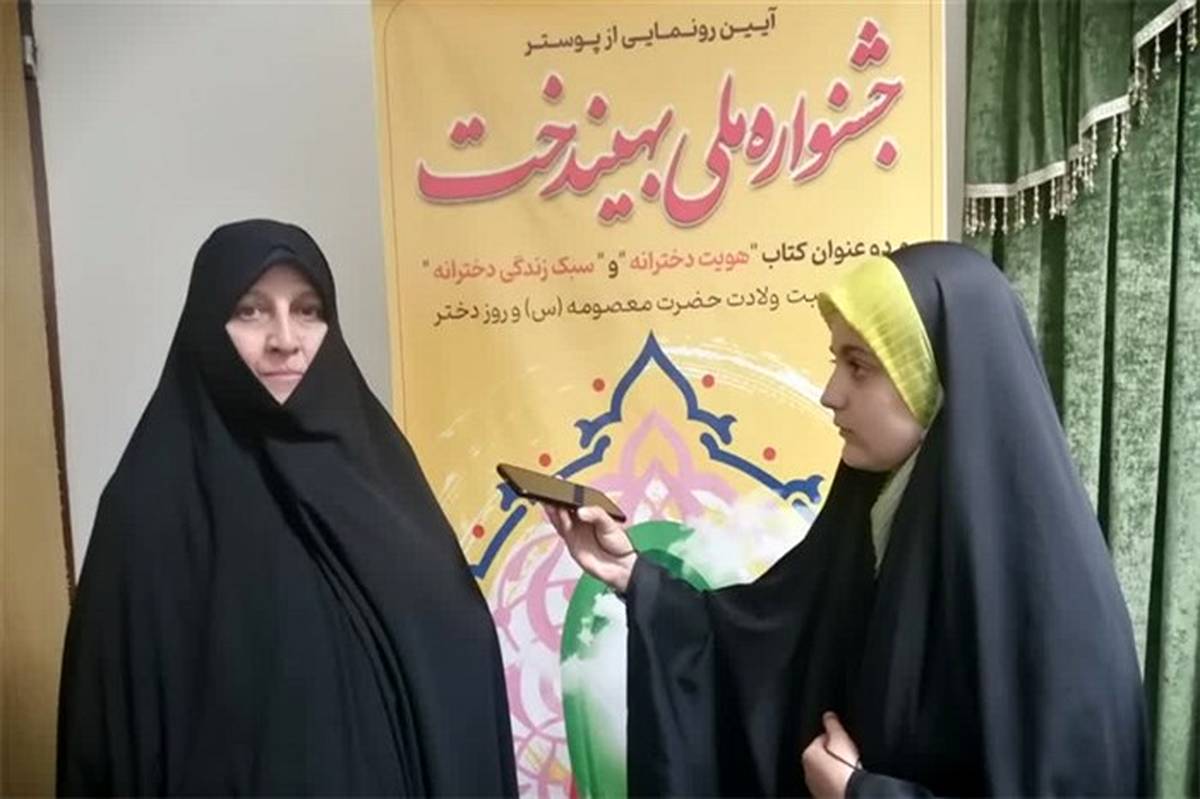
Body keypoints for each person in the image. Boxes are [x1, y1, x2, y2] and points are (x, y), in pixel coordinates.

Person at [547, 242, 1147, 796]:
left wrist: (859, 793)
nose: (830, 393)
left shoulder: (1048, 592)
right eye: (837, 362)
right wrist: (635, 578)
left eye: (859, 366)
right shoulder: (875, 514)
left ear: (937, 378)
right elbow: (765, 646)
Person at [58, 219, 517, 796]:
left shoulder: (381, 480)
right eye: (250, 310)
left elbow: (458, 660)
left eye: (307, 310)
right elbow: (107, 735)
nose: (285, 338)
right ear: (207, 325)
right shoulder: (146, 510)